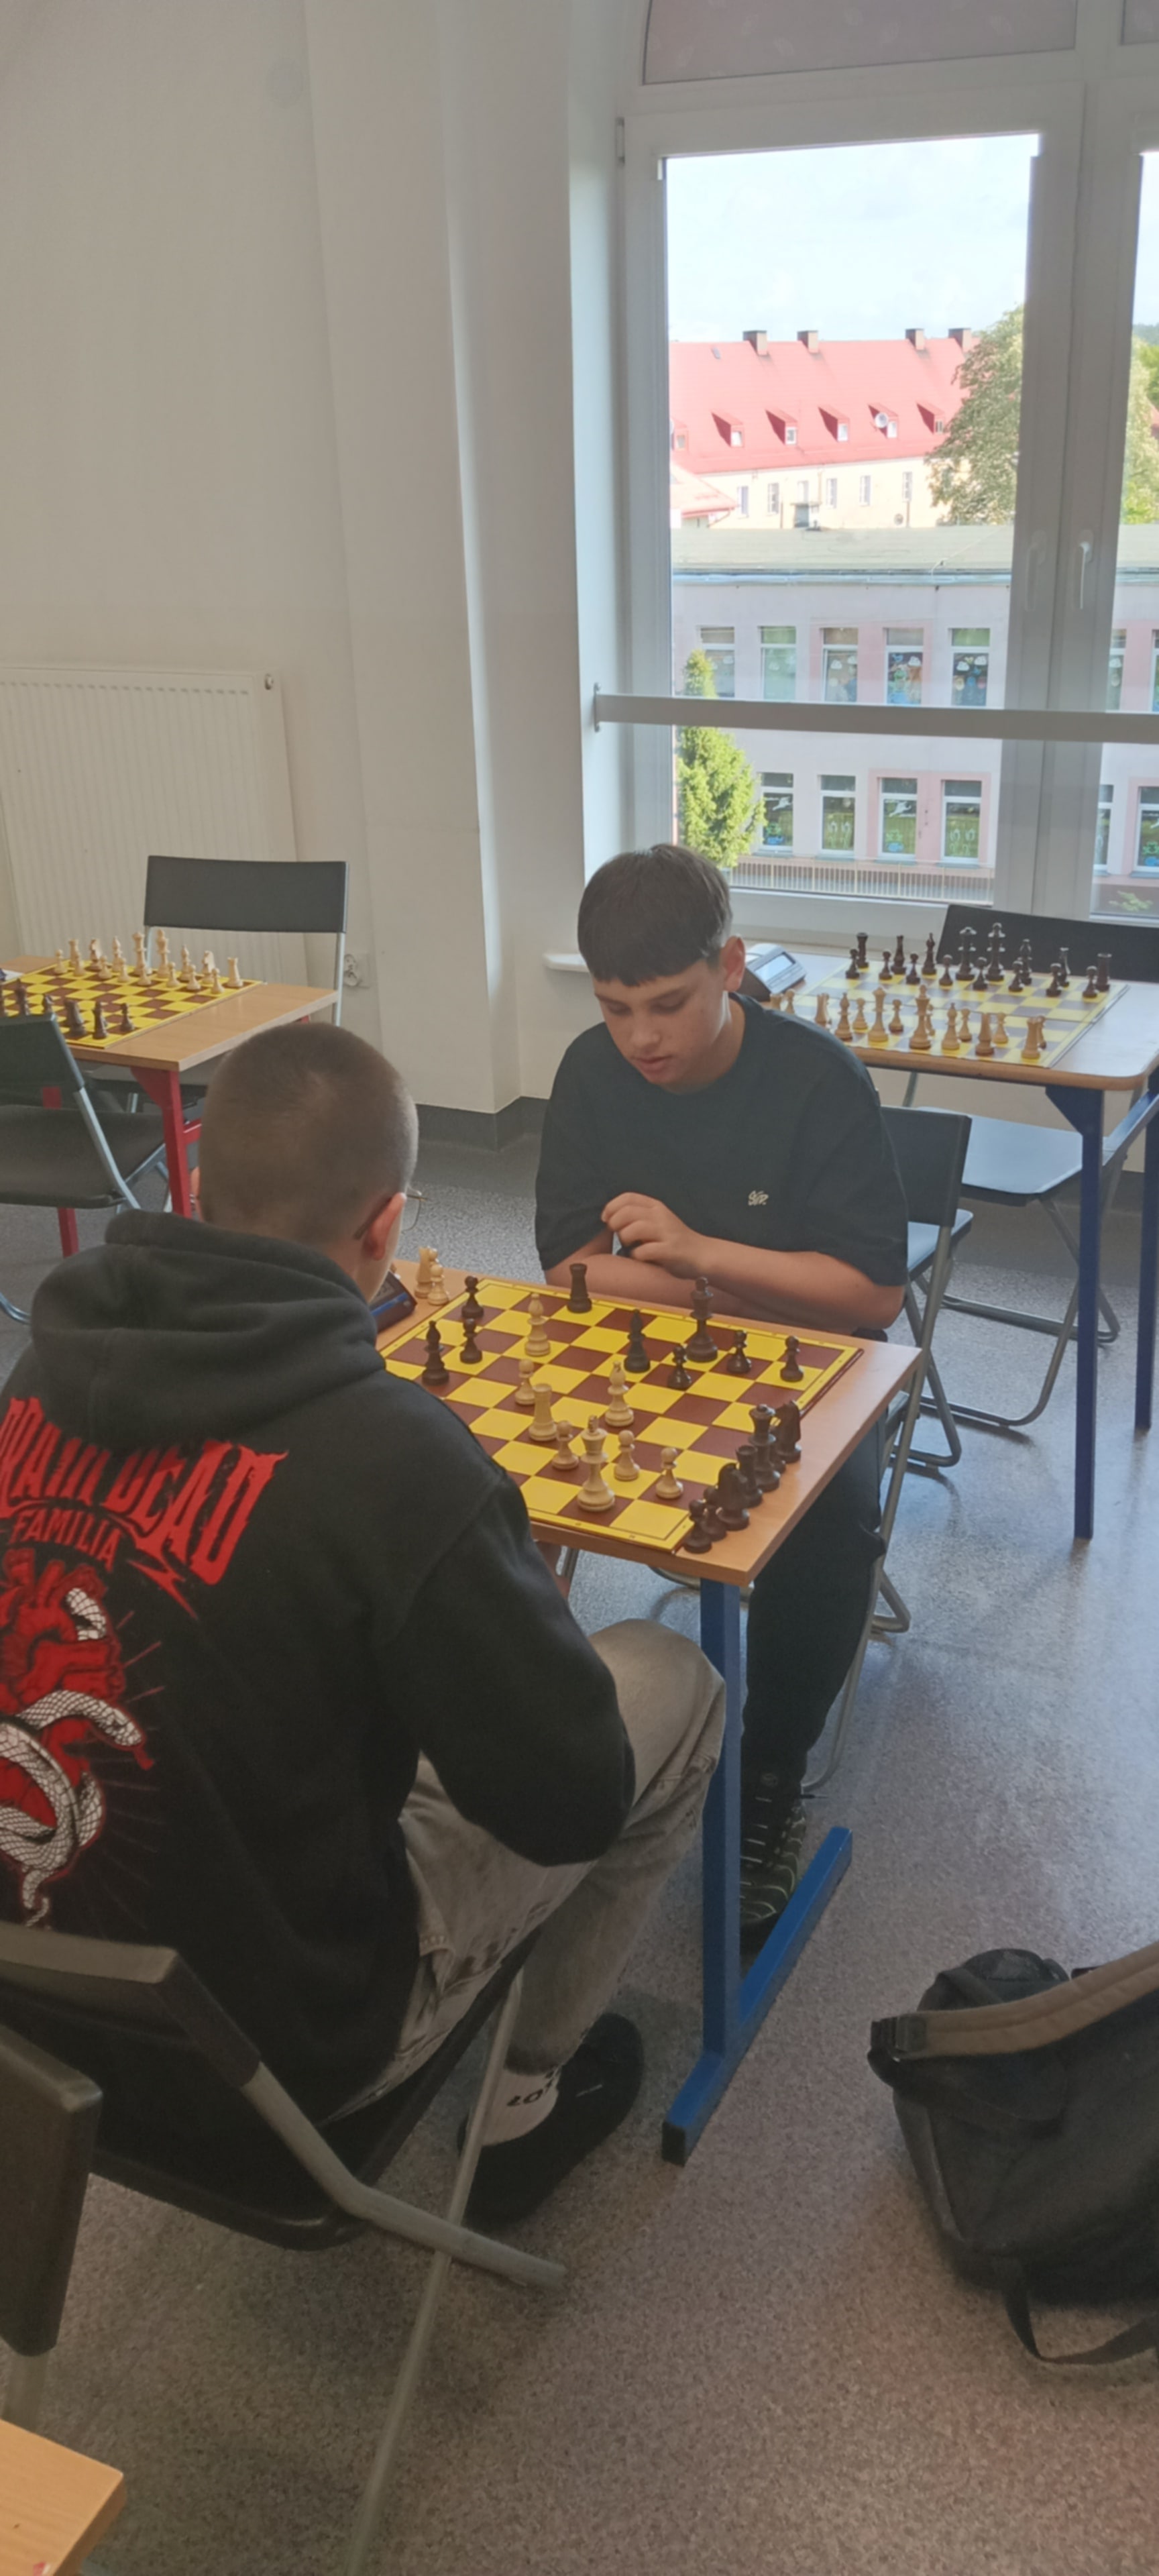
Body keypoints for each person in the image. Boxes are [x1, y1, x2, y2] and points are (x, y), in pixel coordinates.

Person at [0, 1022, 722, 2224]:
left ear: (196, 1179)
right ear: (387, 1224)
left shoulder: (32, 1383)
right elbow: (573, 1802)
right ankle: (523, 2106)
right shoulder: (397, 1458)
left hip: (35, 2022)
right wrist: (507, 1608)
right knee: (672, 1678)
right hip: (279, 2053)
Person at [535, 844, 908, 1946]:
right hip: (657, 1350)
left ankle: (771, 1769)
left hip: (811, 1371)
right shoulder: (588, 1072)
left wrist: (697, 1252)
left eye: (668, 1003)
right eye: (615, 1008)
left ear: (731, 967)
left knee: (831, 1526)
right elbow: (571, 1271)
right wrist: (741, 1285)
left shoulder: (818, 1080)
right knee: (491, 1467)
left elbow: (868, 1296)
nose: (640, 1037)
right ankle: (527, 1735)